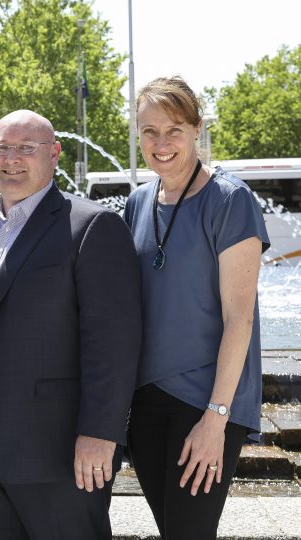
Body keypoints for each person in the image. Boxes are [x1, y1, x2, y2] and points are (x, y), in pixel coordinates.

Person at [0, 110, 142, 539]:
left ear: (54, 154)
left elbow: (114, 343)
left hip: (59, 450)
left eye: (26, 148)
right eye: (2, 147)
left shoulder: (91, 225)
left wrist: (101, 433)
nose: (12, 158)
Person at [124, 76, 269, 539]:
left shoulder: (230, 200)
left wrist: (215, 420)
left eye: (174, 130)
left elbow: (239, 318)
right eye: (149, 131)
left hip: (206, 405)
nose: (161, 143)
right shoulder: (137, 203)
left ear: (197, 131)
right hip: (146, 403)